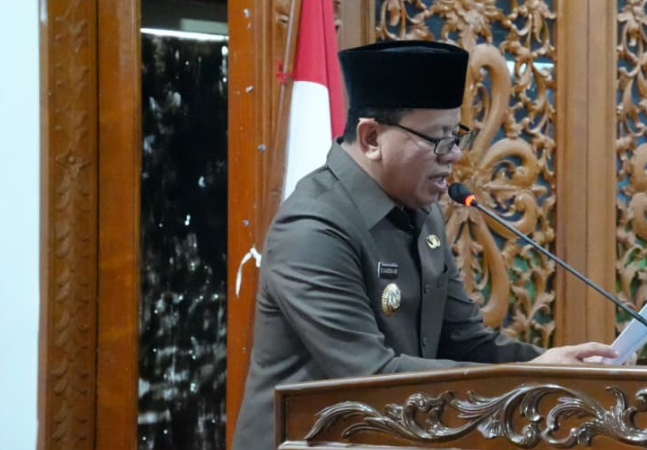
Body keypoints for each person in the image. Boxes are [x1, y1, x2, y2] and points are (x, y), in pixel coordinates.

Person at [231, 40, 618, 450]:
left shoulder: (422, 210)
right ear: (371, 138)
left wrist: (557, 369)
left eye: (456, 136)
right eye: (438, 139)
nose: (454, 156)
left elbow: (466, 339)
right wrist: (529, 377)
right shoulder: (312, 229)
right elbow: (371, 377)